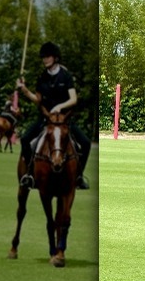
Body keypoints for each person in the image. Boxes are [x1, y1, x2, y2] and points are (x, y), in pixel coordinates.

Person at [16, 41, 91, 190]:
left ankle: (79, 176)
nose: (45, 59)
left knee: (86, 143)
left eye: (48, 56)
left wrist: (60, 106)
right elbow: (38, 100)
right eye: (43, 57)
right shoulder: (42, 77)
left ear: (55, 57)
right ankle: (30, 175)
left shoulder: (66, 76)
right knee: (25, 139)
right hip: (46, 119)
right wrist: (24, 90)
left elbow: (73, 99)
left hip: (64, 120)